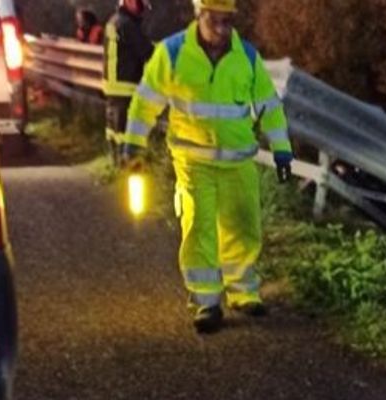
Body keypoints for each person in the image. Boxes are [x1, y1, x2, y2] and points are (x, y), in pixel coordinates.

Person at [122, 0, 293, 334]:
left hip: (238, 160)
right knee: (199, 226)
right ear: (199, 16)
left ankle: (243, 292)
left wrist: (282, 151)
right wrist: (133, 144)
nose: (222, 29)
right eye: (215, 20)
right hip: (193, 162)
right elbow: (146, 101)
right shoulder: (172, 54)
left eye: (227, 21)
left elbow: (269, 106)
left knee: (243, 225)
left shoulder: (246, 56)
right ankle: (206, 303)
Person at [103, 0, 154, 164]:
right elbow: (147, 52)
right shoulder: (127, 25)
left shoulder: (113, 21)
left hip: (111, 86)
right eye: (139, 4)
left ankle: (115, 161)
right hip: (126, 86)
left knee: (114, 129)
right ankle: (126, 163)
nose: (141, 10)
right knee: (125, 130)